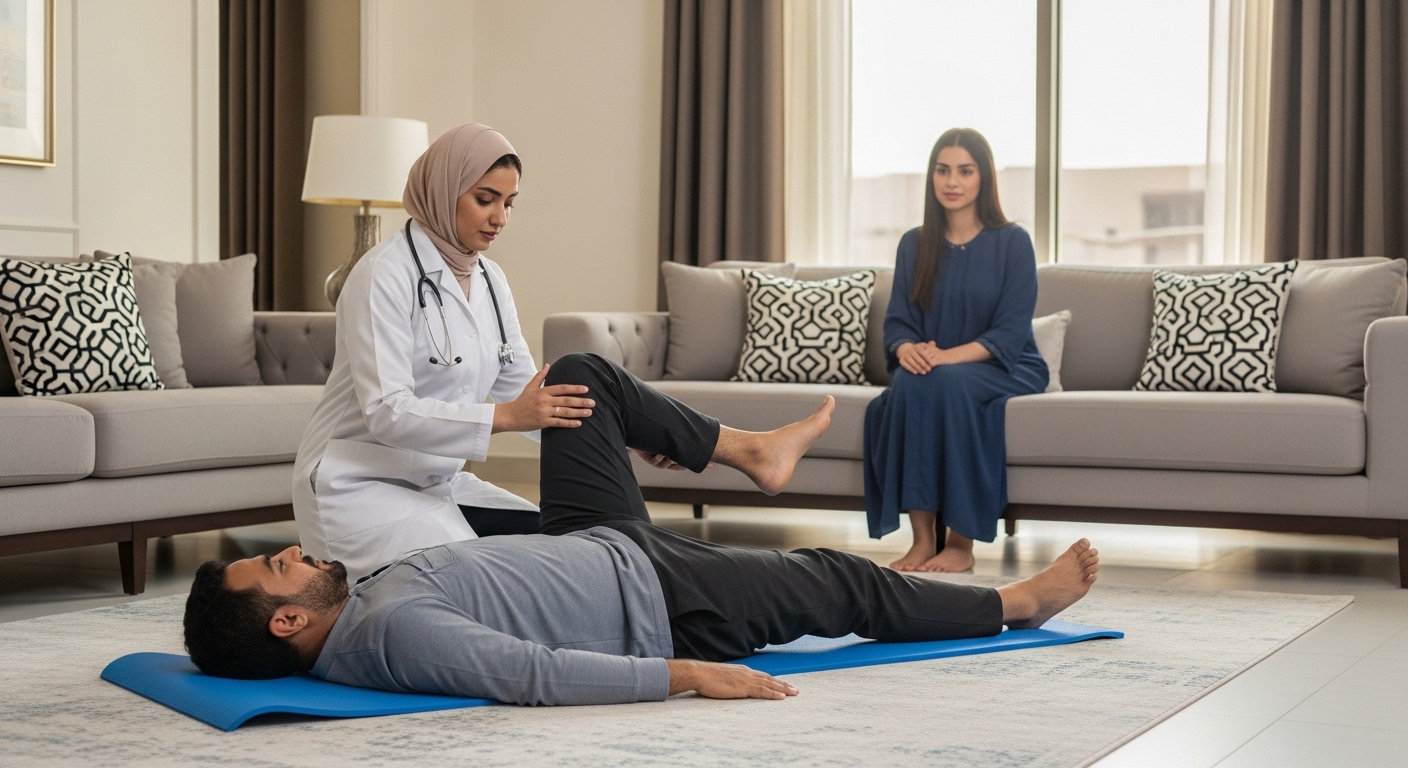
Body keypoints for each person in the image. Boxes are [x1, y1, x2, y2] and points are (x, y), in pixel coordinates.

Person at [186, 353, 1101, 705]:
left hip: (600, 540)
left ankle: (748, 453)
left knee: (580, 382)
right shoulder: (393, 632)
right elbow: (538, 676)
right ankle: (1013, 603)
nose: (298, 550)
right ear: (286, 622)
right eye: (280, 565)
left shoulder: (357, 606)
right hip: (663, 601)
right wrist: (694, 675)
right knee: (840, 583)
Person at [293, 123, 599, 583]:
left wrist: (626, 441)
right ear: (443, 190)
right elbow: (387, 413)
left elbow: (526, 393)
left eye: (509, 203)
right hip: (357, 484)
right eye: (485, 199)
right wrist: (508, 417)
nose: (500, 218)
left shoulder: (491, 281)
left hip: (437, 482)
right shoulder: (382, 274)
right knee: (490, 583)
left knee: (561, 545)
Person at [865, 128, 1049, 574]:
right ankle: (923, 541)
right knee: (911, 382)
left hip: (1009, 366)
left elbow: (1010, 331)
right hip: (936, 370)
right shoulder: (915, 243)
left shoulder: (1013, 242)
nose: (952, 181)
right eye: (943, 170)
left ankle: (961, 544)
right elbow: (899, 320)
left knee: (940, 382)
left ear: (983, 178)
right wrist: (907, 348)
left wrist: (947, 357)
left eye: (965, 171)